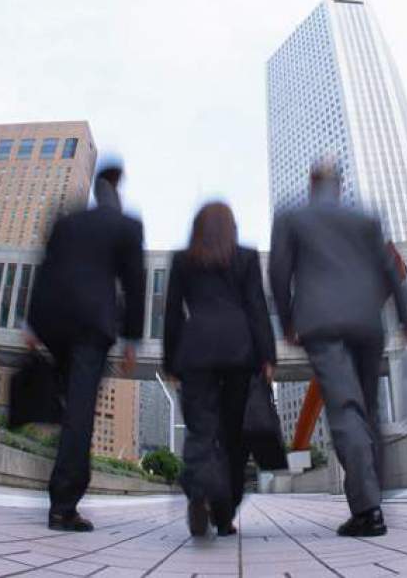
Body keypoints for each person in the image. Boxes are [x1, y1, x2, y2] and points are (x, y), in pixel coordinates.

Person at [268, 160, 407, 538]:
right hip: (367, 323)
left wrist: (287, 322)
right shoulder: (365, 216)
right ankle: (374, 494)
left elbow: (278, 272)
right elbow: (388, 267)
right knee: (370, 409)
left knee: (345, 407)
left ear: (312, 184)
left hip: (321, 323)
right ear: (340, 186)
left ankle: (368, 509)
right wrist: (406, 317)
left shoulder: (292, 215)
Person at [26, 160, 145, 532]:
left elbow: (45, 268)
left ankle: (61, 464)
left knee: (67, 403)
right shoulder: (126, 226)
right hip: (92, 326)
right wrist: (132, 338)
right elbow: (135, 284)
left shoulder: (67, 221)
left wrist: (31, 323)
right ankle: (63, 505)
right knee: (80, 408)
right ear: (117, 190)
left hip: (54, 322)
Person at [163, 202, 276, 537]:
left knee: (201, 429)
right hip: (239, 351)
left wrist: (170, 360)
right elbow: (257, 307)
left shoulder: (183, 259)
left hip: (196, 349)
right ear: (232, 227)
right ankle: (224, 516)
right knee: (234, 438)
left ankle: (199, 491)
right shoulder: (246, 257)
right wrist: (267, 356)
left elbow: (172, 312)